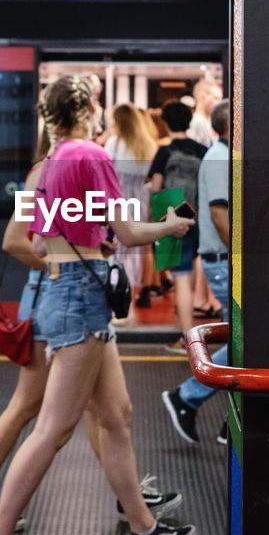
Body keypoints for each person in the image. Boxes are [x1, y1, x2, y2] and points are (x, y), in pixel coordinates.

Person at [0, 75, 196, 535]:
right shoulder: (92, 158)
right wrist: (170, 227)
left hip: (62, 292)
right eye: (96, 106)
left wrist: (71, 255)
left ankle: (143, 526)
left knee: (117, 415)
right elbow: (128, 231)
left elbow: (24, 238)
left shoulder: (44, 167)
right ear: (88, 108)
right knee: (54, 428)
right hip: (82, 297)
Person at [163, 99, 232, 444]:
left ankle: (227, 423)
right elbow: (220, 215)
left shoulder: (219, 155)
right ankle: (186, 397)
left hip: (219, 258)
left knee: (243, 340)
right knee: (247, 341)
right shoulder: (219, 158)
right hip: (224, 260)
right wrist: (246, 257)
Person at [147, 101, 207, 352]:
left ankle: (188, 340)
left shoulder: (165, 152)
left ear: (167, 123)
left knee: (180, 278)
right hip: (198, 218)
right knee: (189, 273)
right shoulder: (203, 150)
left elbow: (155, 188)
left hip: (173, 220)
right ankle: (189, 331)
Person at [103, 103, 158, 307]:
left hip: (119, 198)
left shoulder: (114, 143)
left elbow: (107, 173)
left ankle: (119, 291)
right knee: (136, 246)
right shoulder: (148, 144)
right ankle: (134, 290)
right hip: (140, 199)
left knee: (118, 247)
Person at [187, 79, 222, 148]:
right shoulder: (196, 122)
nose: (219, 102)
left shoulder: (208, 120)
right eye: (216, 98)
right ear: (202, 97)